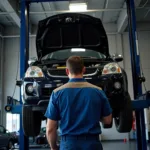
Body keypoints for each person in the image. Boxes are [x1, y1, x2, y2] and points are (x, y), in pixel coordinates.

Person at [45, 56, 112, 150]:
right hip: (92, 144)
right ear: (84, 70)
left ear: (67, 71)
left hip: (68, 144)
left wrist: (53, 147)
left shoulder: (57, 93)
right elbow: (108, 120)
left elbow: (50, 129)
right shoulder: (98, 91)